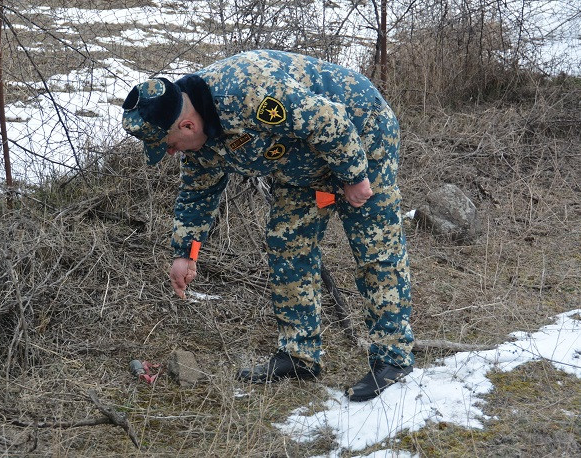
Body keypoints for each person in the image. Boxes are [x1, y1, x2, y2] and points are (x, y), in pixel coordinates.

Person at [121, 50, 414, 402]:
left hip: (361, 137)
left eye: (168, 145)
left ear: (187, 125)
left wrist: (353, 177)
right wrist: (186, 254)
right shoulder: (199, 140)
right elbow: (198, 195)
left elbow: (330, 121)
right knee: (288, 244)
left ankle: (392, 360)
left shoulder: (247, 91)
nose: (170, 153)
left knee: (375, 248)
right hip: (303, 167)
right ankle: (299, 355)